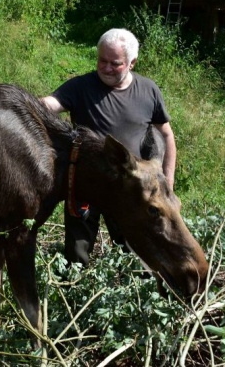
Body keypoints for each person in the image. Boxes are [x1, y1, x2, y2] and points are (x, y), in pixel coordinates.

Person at [41, 28, 177, 266]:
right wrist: (26, 104)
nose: (105, 68)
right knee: (77, 253)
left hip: (133, 189)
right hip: (86, 185)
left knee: (135, 253)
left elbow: (165, 134)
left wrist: (167, 183)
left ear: (132, 62)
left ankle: (134, 291)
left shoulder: (148, 91)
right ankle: (75, 288)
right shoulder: (81, 87)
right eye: (101, 60)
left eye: (115, 63)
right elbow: (49, 104)